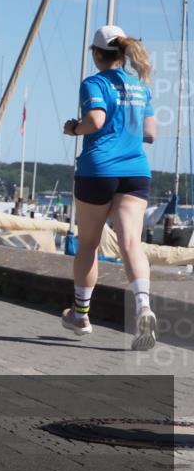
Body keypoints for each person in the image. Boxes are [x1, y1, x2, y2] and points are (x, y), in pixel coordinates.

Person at [61, 25, 157, 351]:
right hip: (136, 171)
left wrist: (74, 129)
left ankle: (81, 315)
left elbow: (96, 121)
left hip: (99, 170)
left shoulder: (94, 83)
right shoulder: (142, 88)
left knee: (88, 244)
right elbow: (151, 133)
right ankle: (144, 306)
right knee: (131, 243)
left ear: (97, 54)